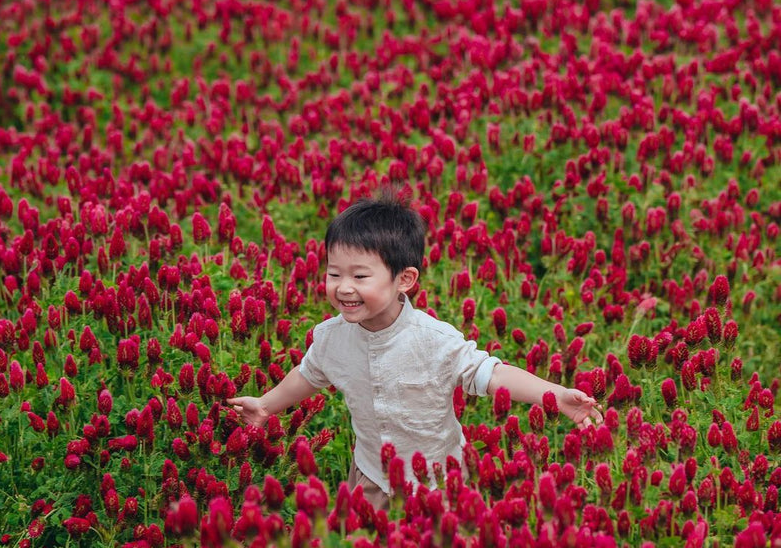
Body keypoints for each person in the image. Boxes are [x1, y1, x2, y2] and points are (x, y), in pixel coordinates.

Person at [227, 192, 602, 510]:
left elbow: (493, 374)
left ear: (404, 279)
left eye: (359, 276)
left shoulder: (433, 339)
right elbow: (308, 375)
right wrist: (266, 406)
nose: (343, 287)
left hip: (439, 481)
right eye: (333, 273)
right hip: (373, 475)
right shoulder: (331, 338)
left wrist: (555, 397)